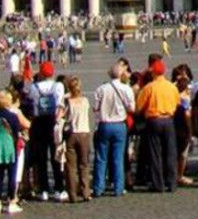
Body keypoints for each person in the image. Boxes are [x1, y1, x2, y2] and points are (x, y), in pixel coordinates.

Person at [134, 57, 178, 193]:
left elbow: (138, 108)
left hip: (154, 120)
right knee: (171, 152)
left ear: (153, 73)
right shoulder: (172, 87)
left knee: (155, 153)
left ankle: (157, 183)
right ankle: (171, 183)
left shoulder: (149, 88)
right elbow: (177, 103)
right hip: (169, 120)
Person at [25, 62, 67, 201]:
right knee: (56, 157)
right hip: (52, 122)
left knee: (41, 158)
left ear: (41, 73)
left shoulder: (33, 87)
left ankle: (43, 189)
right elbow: (61, 103)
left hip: (38, 123)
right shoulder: (58, 86)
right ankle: (59, 188)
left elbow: (30, 102)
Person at [92, 62, 134, 198]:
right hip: (120, 125)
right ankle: (118, 188)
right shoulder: (126, 89)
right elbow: (132, 108)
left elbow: (95, 108)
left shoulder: (100, 89)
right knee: (118, 157)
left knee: (101, 158)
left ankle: (98, 188)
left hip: (104, 125)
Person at [0, 91, 25, 214]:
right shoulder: (12, 117)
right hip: (10, 148)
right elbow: (16, 131)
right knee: (12, 176)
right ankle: (11, 201)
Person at [62, 77, 92, 202]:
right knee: (84, 165)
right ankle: (85, 192)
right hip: (84, 134)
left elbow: (63, 116)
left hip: (72, 134)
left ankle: (72, 194)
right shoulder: (85, 100)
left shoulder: (68, 101)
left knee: (71, 166)